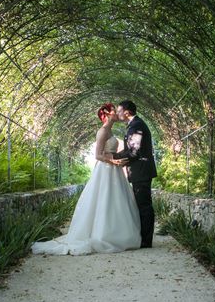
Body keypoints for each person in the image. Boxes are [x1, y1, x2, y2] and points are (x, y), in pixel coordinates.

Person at [31, 103, 141, 255]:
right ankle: (103, 235)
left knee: (115, 201)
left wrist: (120, 158)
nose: (117, 113)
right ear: (108, 114)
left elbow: (112, 152)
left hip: (113, 170)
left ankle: (115, 232)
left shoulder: (110, 130)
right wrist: (114, 161)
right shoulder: (102, 131)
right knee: (104, 199)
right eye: (115, 110)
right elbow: (98, 155)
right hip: (105, 169)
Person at [107, 100, 157, 248]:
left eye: (119, 110)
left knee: (144, 205)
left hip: (141, 171)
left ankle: (146, 241)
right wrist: (113, 157)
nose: (117, 113)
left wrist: (112, 157)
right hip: (139, 171)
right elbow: (132, 150)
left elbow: (134, 151)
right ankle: (143, 237)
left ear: (127, 112)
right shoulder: (134, 125)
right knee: (142, 204)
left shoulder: (137, 126)